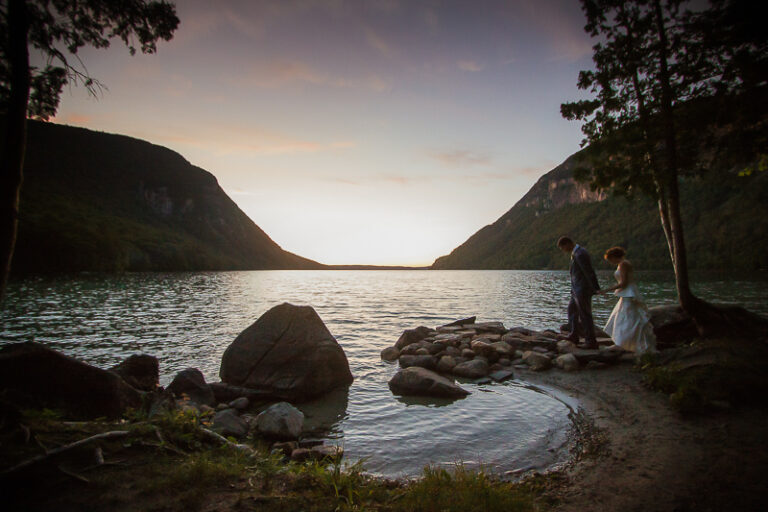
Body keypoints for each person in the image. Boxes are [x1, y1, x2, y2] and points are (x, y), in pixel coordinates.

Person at [597, 246, 657, 354]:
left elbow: (624, 283)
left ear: (614, 256)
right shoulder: (623, 264)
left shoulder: (624, 264)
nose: (611, 262)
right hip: (627, 293)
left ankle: (623, 344)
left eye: (610, 259)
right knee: (625, 317)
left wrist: (606, 290)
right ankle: (622, 343)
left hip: (628, 293)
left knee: (627, 318)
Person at [557, 236, 600, 349]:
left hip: (582, 290)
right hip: (576, 289)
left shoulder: (580, 253)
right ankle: (574, 335)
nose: (563, 250)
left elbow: (589, 271)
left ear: (568, 244)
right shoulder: (576, 253)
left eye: (563, 247)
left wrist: (595, 288)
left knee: (585, 315)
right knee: (572, 310)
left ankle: (591, 341)